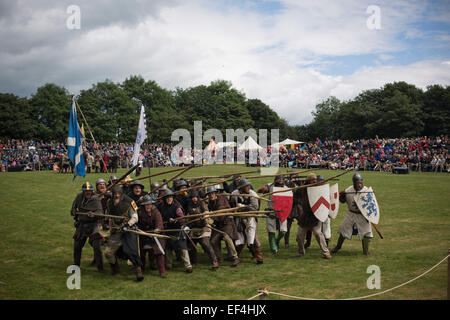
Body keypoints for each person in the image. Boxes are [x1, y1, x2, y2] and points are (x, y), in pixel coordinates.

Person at [104, 185, 144, 281]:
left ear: (122, 194)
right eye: (115, 194)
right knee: (108, 253)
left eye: (118, 194)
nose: (117, 196)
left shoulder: (130, 202)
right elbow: (107, 215)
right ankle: (115, 269)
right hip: (116, 230)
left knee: (131, 250)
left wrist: (127, 225)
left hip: (129, 229)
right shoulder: (110, 203)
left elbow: (135, 218)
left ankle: (138, 271)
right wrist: (106, 223)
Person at [331, 173, 373, 255]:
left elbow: (371, 205)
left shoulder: (366, 191)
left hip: (362, 215)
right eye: (357, 183)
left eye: (360, 183)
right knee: (343, 229)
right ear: (354, 183)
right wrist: (342, 197)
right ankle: (338, 247)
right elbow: (343, 201)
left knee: (366, 232)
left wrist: (369, 216)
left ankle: (366, 251)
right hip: (351, 213)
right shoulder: (349, 190)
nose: (359, 185)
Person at [296, 173, 332, 259]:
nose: (314, 181)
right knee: (300, 235)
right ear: (308, 180)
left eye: (315, 179)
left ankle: (326, 252)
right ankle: (301, 252)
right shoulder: (303, 189)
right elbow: (296, 194)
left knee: (317, 233)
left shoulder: (318, 188)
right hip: (305, 215)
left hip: (316, 214)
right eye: (312, 180)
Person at [70, 182, 104, 273]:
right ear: (83, 191)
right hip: (81, 225)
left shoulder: (96, 199)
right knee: (77, 246)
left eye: (89, 191)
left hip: (93, 225)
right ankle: (76, 265)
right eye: (86, 191)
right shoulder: (79, 197)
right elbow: (73, 208)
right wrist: (73, 211)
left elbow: (101, 214)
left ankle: (100, 268)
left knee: (97, 247)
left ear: (92, 191)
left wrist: (94, 214)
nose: (88, 192)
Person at [230, 178, 263, 264]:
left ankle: (259, 257)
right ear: (241, 187)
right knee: (239, 239)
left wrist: (243, 206)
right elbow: (231, 205)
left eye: (248, 185)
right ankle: (237, 257)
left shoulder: (253, 194)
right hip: (239, 218)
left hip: (250, 218)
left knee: (253, 239)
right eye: (246, 186)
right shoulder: (234, 194)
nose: (248, 187)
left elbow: (255, 208)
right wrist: (236, 210)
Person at [159, 189, 193, 273]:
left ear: (173, 198)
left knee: (183, 248)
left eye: (170, 197)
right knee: (168, 248)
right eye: (167, 198)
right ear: (165, 199)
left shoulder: (177, 207)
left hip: (178, 229)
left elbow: (182, 219)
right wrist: (166, 220)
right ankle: (169, 264)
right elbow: (161, 217)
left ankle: (188, 265)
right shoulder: (162, 207)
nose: (169, 199)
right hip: (168, 230)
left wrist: (176, 220)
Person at [207, 186, 240, 267]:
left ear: (215, 193)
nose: (211, 195)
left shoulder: (221, 200)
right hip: (218, 225)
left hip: (227, 223)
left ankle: (235, 257)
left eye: (212, 193)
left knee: (227, 237)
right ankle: (219, 257)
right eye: (209, 194)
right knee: (213, 241)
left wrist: (211, 217)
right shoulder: (211, 202)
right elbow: (209, 211)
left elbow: (221, 216)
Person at [185, 190, 219, 269]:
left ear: (198, 198)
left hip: (204, 227)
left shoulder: (202, 204)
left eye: (196, 197)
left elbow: (206, 212)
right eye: (193, 198)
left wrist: (204, 216)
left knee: (205, 242)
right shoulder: (189, 206)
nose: (195, 199)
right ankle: (194, 261)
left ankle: (214, 261)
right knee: (191, 244)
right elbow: (188, 216)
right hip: (194, 228)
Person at [137, 194, 166, 278]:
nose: (148, 206)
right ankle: (141, 268)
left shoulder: (156, 212)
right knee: (140, 252)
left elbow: (159, 224)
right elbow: (137, 223)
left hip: (156, 236)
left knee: (159, 252)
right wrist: (138, 230)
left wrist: (157, 230)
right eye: (146, 204)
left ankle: (162, 271)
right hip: (143, 235)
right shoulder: (139, 212)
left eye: (150, 204)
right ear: (144, 205)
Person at [257, 175, 288, 254]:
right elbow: (260, 190)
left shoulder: (287, 188)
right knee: (271, 230)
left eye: (281, 180)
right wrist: (264, 188)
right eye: (279, 180)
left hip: (282, 211)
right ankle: (274, 248)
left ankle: (277, 241)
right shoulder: (271, 186)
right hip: (271, 210)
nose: (280, 182)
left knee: (283, 230)